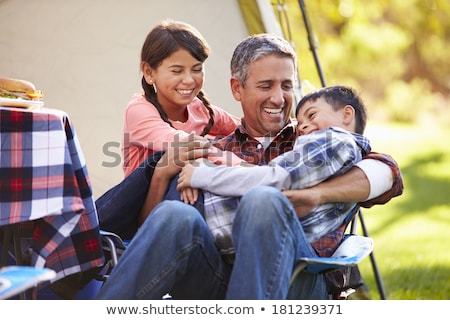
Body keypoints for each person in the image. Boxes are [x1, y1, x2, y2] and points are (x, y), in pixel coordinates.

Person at [96, 34, 403, 300]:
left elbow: (388, 171)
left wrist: (317, 194)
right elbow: (150, 232)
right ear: (237, 89)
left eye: (286, 85)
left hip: (300, 278)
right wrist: (162, 175)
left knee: (263, 199)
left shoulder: (311, 138)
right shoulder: (215, 150)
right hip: (218, 278)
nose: (278, 97)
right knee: (175, 215)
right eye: (265, 85)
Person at [176, 85, 371, 262]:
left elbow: (274, 177)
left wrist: (200, 175)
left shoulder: (335, 140)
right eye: (300, 121)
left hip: (219, 222)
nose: (301, 127)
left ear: (347, 114)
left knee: (166, 188)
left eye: (312, 115)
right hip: (227, 235)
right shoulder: (343, 157)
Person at [95, 19, 240, 239]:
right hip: (139, 215)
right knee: (175, 160)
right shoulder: (139, 110)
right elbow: (183, 143)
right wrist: (242, 167)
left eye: (197, 69)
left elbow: (243, 128)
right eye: (177, 70)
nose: (189, 80)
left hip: (181, 204)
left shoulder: (201, 110)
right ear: (149, 72)